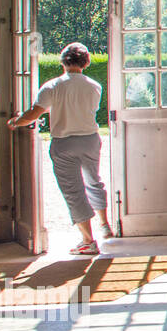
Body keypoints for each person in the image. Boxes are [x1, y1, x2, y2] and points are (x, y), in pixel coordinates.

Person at [7, 42, 112, 255]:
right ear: (86, 62)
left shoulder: (52, 86)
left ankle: (87, 240)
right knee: (94, 181)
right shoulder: (94, 85)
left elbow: (35, 113)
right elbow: (83, 108)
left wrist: (15, 122)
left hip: (64, 142)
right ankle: (104, 224)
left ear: (63, 61)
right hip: (90, 139)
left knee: (73, 190)